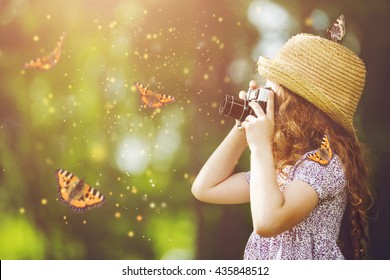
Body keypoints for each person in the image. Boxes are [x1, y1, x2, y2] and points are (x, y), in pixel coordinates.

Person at [191, 32, 374, 259]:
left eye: (272, 93)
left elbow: (268, 221)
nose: (268, 101)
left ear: (297, 106)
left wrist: (259, 147)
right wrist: (242, 127)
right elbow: (205, 188)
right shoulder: (284, 166)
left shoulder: (325, 164)